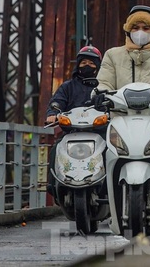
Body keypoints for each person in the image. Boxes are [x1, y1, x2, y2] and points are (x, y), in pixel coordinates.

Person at [45, 45, 102, 200]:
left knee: (114, 152)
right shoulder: (67, 86)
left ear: (98, 66)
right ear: (78, 65)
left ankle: (114, 189)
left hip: (99, 132)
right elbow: (56, 102)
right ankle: (52, 185)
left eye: (91, 63)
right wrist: (53, 113)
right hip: (72, 132)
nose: (87, 66)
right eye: (83, 63)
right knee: (56, 149)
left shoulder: (104, 87)